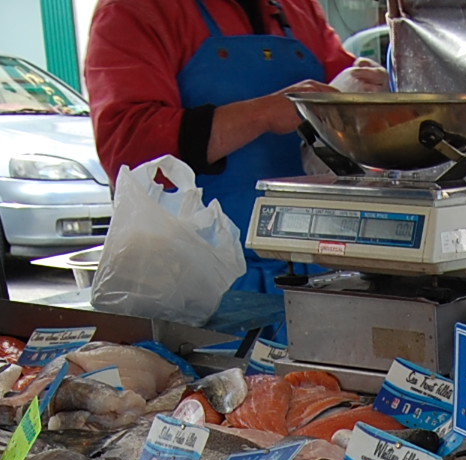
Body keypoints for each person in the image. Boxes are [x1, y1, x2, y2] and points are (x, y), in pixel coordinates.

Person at [86, 0, 389, 293]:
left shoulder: (298, 7)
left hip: (316, 275)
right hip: (199, 286)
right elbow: (128, 147)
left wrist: (365, 85)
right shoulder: (133, 10)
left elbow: (341, 98)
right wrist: (262, 113)